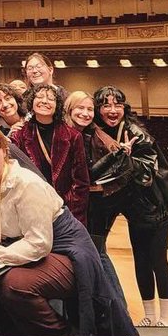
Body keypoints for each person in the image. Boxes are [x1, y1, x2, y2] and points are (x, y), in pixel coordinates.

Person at [0, 125, 137, 336]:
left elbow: (39, 243)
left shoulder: (26, 183)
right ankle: (14, 333)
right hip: (33, 247)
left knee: (15, 283)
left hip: (67, 251)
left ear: (4, 151)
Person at [94, 85, 168, 328]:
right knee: (140, 259)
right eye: (106, 105)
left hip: (158, 204)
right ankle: (149, 315)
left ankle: (167, 317)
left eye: (117, 105)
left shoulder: (135, 132)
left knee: (157, 259)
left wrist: (125, 157)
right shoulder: (102, 133)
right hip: (137, 207)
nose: (112, 110)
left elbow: (147, 172)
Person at [66, 90, 128, 303]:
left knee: (98, 252)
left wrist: (116, 156)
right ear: (69, 110)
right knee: (93, 252)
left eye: (89, 109)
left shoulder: (91, 136)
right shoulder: (72, 134)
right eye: (80, 108)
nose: (85, 113)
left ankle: (117, 306)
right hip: (86, 201)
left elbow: (88, 174)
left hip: (96, 202)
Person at [10, 82, 90, 225]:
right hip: (32, 208)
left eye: (51, 98)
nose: (44, 101)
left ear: (57, 105)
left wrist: (73, 212)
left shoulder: (73, 136)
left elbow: (81, 181)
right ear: (32, 102)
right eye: (39, 97)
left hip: (66, 209)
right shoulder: (19, 136)